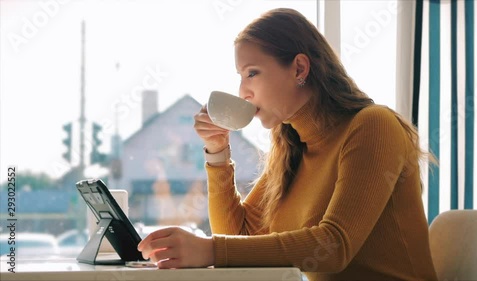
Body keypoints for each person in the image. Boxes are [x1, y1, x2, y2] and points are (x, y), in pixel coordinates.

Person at [138, 8, 438, 281]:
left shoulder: (374, 125)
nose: (243, 92)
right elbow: (237, 236)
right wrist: (217, 152)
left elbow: (334, 246)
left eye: (252, 73)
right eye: (241, 77)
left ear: (299, 69)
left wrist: (208, 250)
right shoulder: (292, 148)